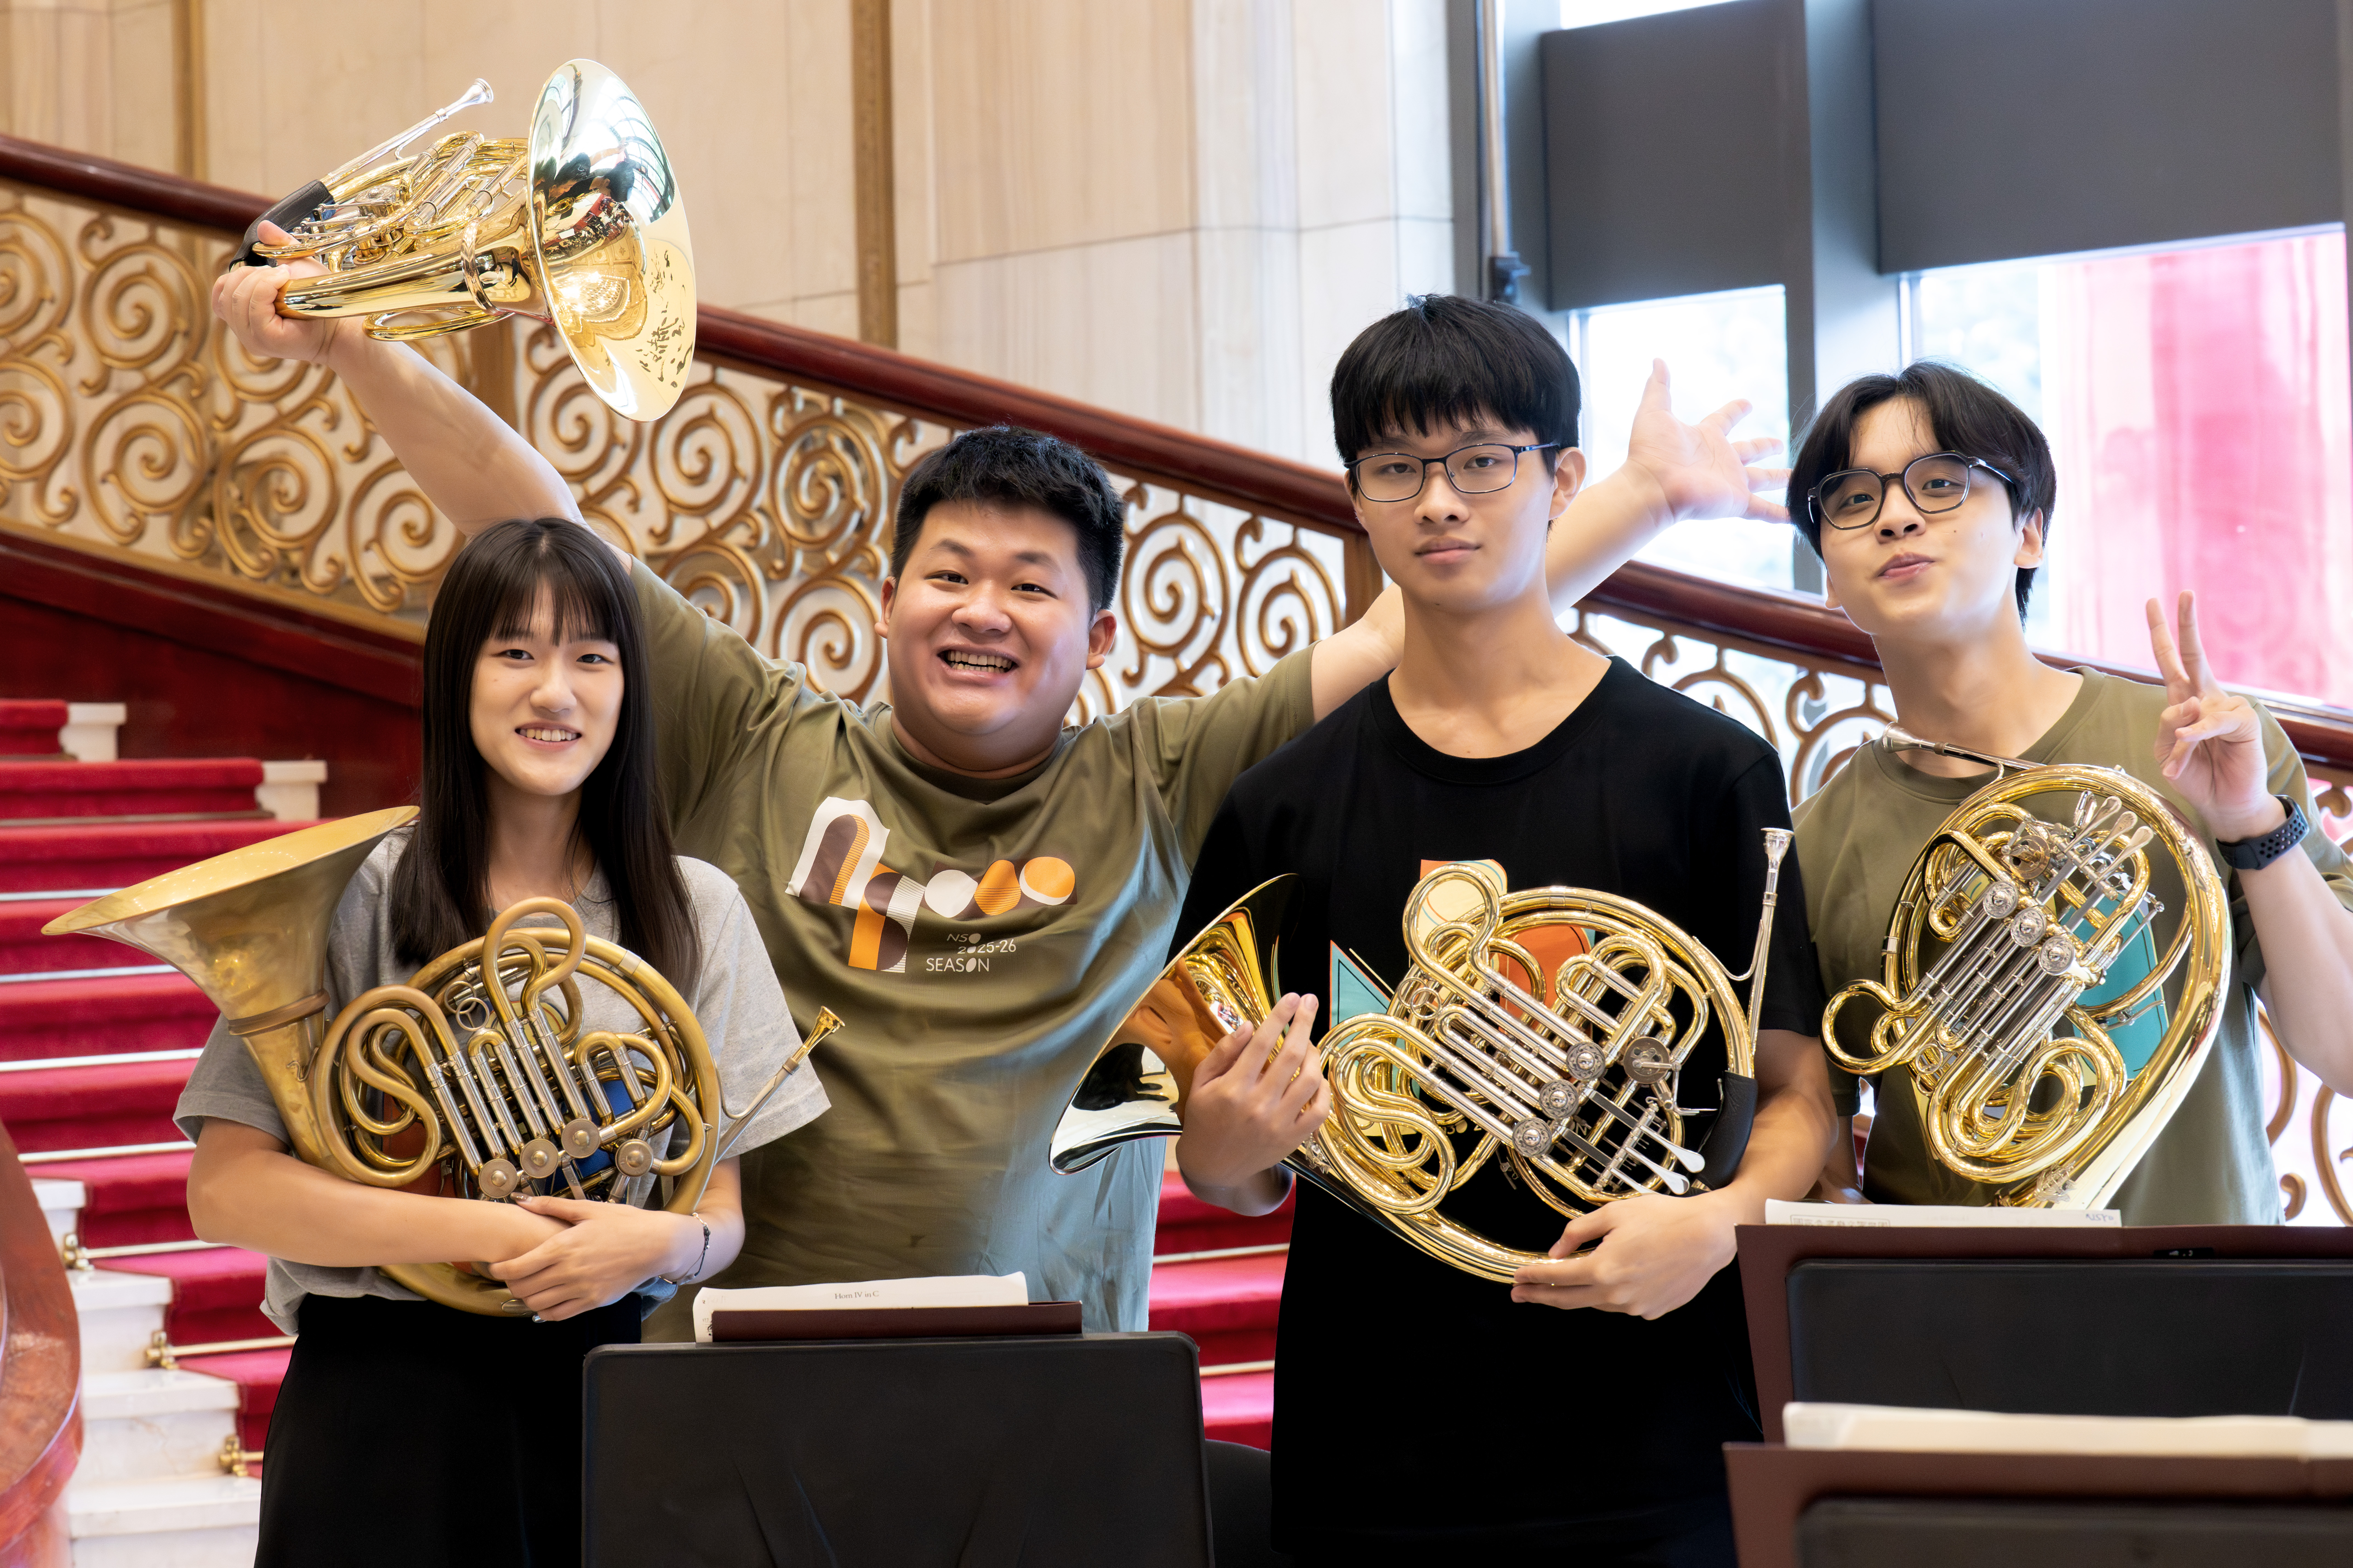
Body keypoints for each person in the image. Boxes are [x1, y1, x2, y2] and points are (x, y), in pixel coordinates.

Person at [210, 231, 1788, 1335]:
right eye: (948, 571)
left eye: (1033, 586)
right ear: (881, 599)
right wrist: (356, 341)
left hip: (1053, 1368)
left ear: (1099, 634)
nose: (983, 607)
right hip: (739, 1367)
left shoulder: (1161, 771)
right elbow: (539, 529)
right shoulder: (757, 736)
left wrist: (1639, 495)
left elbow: (1419, 612)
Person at [1172, 294, 1839, 1565]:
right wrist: (1223, 1140)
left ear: (1562, 479)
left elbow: (1800, 1083)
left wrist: (1722, 1221)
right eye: (1397, 468)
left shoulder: (1708, 773)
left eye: (1482, 461)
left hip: (1656, 1423)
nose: (1439, 502)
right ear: (1354, 498)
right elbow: (1230, 1172)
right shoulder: (1277, 806)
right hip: (1371, 1443)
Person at [177, 518, 828, 1565]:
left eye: (591, 657)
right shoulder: (355, 891)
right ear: (455, 677)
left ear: (630, 687)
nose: (554, 691)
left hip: (603, 1400)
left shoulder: (696, 908)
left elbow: (718, 1215)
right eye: (515, 652)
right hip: (378, 1404)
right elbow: (226, 1193)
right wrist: (491, 1232)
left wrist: (660, 1244)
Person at [1784, 361, 2353, 1218]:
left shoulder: (2195, 741)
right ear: (1827, 575)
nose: (1896, 515)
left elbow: (2344, 1049)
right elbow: (1818, 1140)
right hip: (1963, 1327)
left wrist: (2247, 820)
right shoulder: (1813, 841)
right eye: (1852, 500)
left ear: (2030, 533)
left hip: (2217, 1305)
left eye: (1940, 483)